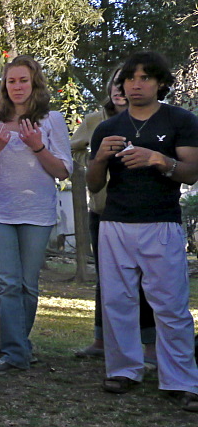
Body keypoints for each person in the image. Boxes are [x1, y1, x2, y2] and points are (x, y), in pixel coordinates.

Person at [87, 51, 198, 412]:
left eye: (145, 77)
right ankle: (123, 371)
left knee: (170, 305)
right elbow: (93, 184)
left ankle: (180, 379)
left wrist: (159, 160)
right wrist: (100, 158)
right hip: (115, 223)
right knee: (118, 302)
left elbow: (191, 172)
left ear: (161, 83)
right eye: (130, 78)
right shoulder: (107, 128)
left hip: (160, 222)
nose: (136, 84)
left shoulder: (180, 119)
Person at [0, 55, 72, 375]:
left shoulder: (52, 120)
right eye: (11, 81)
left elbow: (63, 171)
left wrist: (38, 146)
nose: (17, 87)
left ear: (34, 83)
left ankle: (21, 345)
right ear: (4, 85)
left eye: (23, 80)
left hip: (37, 213)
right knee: (8, 284)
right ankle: (14, 352)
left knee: (28, 284)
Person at [71, 73, 157, 365]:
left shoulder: (149, 122)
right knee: (106, 281)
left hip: (145, 213)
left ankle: (150, 346)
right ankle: (101, 340)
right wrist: (94, 160)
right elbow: (74, 146)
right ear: (110, 89)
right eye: (116, 84)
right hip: (103, 211)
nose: (120, 90)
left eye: (127, 83)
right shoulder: (96, 120)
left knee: (146, 280)